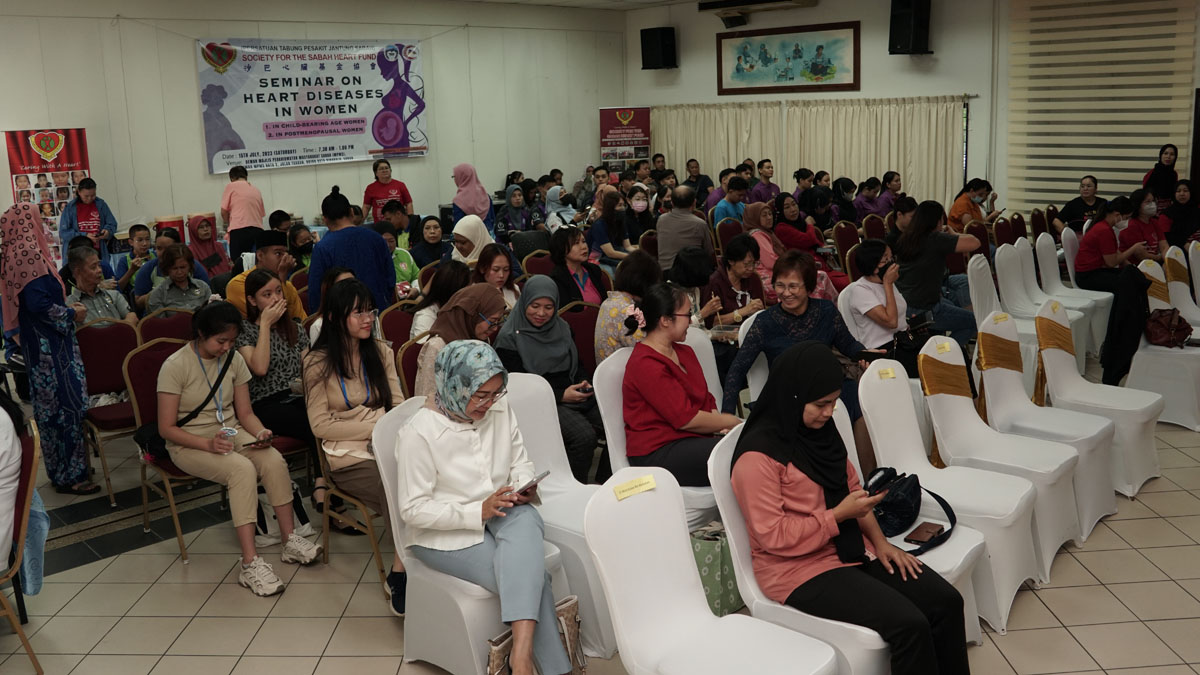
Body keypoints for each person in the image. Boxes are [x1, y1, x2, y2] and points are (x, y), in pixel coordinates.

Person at [730, 341, 968, 675]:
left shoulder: (820, 433)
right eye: (820, 404)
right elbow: (774, 536)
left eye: (833, 402)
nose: (829, 413)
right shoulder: (757, 459)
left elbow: (854, 493)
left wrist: (882, 545)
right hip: (796, 570)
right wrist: (837, 515)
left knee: (946, 602)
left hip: (849, 548)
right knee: (909, 625)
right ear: (793, 396)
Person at [399, 340, 571, 675]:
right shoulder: (418, 433)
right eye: (479, 395)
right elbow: (413, 510)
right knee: (531, 575)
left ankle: (520, 657)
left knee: (527, 521)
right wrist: (477, 511)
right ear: (454, 385)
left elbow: (520, 460)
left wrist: (524, 484)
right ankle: (547, 668)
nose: (488, 403)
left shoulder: (499, 408)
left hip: (503, 507)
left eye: (495, 394)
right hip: (442, 534)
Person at [158, 302, 322, 596]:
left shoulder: (233, 359)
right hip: (189, 442)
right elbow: (167, 428)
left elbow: (245, 413)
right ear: (201, 333)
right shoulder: (175, 365)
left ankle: (289, 539)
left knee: (273, 459)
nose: (226, 348)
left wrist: (260, 432)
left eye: (232, 341)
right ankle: (250, 563)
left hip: (230, 432)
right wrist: (208, 444)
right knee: (242, 470)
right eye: (221, 341)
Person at [303, 278, 409, 613]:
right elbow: (320, 426)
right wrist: (375, 426)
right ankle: (402, 573)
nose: (368, 319)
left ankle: (418, 562)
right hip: (347, 458)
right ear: (336, 318)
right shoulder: (317, 362)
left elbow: (398, 406)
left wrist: (379, 429)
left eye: (370, 311)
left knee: (420, 478)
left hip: (385, 445)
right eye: (358, 313)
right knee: (395, 489)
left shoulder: (381, 351)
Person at [0, 204, 95, 494]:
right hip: (52, 349)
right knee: (67, 407)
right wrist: (71, 314)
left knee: (50, 409)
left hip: (38, 346)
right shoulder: (28, 253)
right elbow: (38, 304)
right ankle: (73, 475)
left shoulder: (12, 253)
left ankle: (61, 471)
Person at [722, 251, 872, 419]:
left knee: (861, 405)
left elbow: (848, 345)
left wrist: (866, 354)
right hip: (789, 396)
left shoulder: (826, 311)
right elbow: (737, 370)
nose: (786, 293)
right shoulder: (765, 322)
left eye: (793, 286)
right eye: (780, 285)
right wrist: (727, 415)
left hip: (827, 387)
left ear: (809, 286)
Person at [622, 283, 742, 486]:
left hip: (691, 438)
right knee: (742, 453)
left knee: (750, 446)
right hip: (658, 450)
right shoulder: (645, 364)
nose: (691, 320)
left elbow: (705, 399)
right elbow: (685, 419)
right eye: (687, 314)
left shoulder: (685, 352)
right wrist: (729, 421)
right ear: (665, 320)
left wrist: (721, 426)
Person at [496, 276, 605, 483]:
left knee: (616, 423)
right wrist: (561, 395)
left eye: (548, 307)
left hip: (573, 391)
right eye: (535, 306)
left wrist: (584, 382)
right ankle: (574, 485)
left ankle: (605, 481)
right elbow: (520, 388)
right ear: (524, 302)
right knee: (583, 437)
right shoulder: (509, 338)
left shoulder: (562, 327)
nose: (541, 313)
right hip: (541, 401)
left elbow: (577, 364)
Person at [894, 201, 980, 348]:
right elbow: (974, 242)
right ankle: (943, 354)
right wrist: (953, 233)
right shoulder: (935, 239)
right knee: (974, 321)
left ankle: (938, 350)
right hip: (925, 306)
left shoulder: (906, 238)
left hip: (905, 302)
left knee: (951, 303)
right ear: (938, 221)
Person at [308, 186, 396, 314]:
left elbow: (316, 292)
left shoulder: (323, 248)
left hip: (342, 317)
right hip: (377, 312)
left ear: (324, 219)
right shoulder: (376, 238)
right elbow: (390, 278)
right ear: (352, 212)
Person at [413, 284, 507, 399]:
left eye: (498, 321)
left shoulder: (479, 340)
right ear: (472, 315)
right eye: (492, 321)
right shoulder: (438, 347)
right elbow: (426, 397)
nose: (495, 328)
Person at [595, 249, 661, 365]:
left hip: (611, 369)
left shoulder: (610, 301)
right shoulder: (627, 310)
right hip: (621, 373)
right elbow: (652, 349)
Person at [225, 230, 306, 319]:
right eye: (278, 253)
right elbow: (268, 318)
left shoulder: (288, 286)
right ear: (260, 256)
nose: (285, 258)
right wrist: (282, 277)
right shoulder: (239, 284)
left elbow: (301, 320)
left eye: (286, 253)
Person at [844, 240, 908, 352]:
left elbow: (899, 316)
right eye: (886, 259)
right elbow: (891, 322)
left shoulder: (884, 281)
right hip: (883, 349)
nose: (891, 263)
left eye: (891, 258)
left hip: (903, 340)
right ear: (873, 266)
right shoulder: (861, 290)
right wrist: (888, 284)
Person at [1074, 196, 1143, 294]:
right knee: (1129, 283)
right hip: (1087, 276)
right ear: (1117, 215)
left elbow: (1115, 252)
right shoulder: (1104, 230)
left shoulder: (1104, 226)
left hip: (1094, 272)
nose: (1127, 221)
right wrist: (1134, 249)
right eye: (1127, 218)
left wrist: (1131, 266)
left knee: (1133, 275)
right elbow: (1112, 262)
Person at [132, 228, 212, 310]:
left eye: (168, 249)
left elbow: (206, 294)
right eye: (159, 248)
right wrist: (160, 293)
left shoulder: (193, 266)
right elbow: (138, 303)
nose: (163, 253)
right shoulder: (148, 269)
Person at [703, 233, 765, 329]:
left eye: (754, 263)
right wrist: (743, 311)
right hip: (724, 335)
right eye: (747, 264)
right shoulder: (714, 283)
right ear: (731, 261)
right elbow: (710, 323)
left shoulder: (753, 278)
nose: (751, 268)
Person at [66, 246, 136, 326]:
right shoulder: (71, 306)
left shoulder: (113, 295)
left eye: (99, 265)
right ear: (78, 272)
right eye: (93, 267)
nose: (99, 270)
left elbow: (133, 317)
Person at [656, 186, 714, 271]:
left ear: (672, 203)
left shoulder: (661, 219)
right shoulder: (699, 224)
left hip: (665, 272)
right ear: (694, 202)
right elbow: (709, 252)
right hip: (691, 273)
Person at [411, 261, 471, 340]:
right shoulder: (425, 317)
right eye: (467, 289)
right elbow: (425, 347)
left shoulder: (457, 311)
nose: (470, 293)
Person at [57, 177, 117, 257]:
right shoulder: (70, 208)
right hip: (77, 254)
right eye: (86, 196)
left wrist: (107, 232)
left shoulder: (101, 205)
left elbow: (112, 224)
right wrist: (84, 235)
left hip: (99, 253)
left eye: (93, 195)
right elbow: (64, 233)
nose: (89, 199)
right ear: (79, 192)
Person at [147, 244, 213, 316]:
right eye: (175, 268)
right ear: (167, 269)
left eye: (183, 267)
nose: (179, 272)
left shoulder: (203, 287)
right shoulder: (158, 294)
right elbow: (161, 322)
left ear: (190, 266)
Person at [742, 201, 786, 304]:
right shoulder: (757, 234)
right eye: (764, 215)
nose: (769, 217)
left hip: (774, 273)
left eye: (770, 214)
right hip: (765, 279)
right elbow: (771, 262)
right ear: (755, 217)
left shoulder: (766, 232)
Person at [549, 227, 604, 306]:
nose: (584, 247)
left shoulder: (593, 270)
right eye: (576, 243)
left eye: (584, 241)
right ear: (562, 248)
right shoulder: (558, 279)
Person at [221, 166, 267, 259]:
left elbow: (223, 211)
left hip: (239, 231)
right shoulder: (256, 190)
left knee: (239, 262)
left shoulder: (231, 186)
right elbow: (261, 214)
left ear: (231, 178)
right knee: (257, 262)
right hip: (258, 231)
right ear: (246, 177)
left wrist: (228, 224)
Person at [586, 190, 635, 273]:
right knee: (629, 270)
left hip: (615, 255)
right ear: (610, 207)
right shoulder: (599, 225)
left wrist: (640, 255)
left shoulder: (620, 222)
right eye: (619, 205)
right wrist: (632, 257)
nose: (623, 208)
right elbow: (610, 253)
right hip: (598, 259)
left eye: (624, 205)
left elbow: (628, 246)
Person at [1120, 188, 1167, 262]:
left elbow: (1164, 245)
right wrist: (1160, 258)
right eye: (1148, 202)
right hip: (1137, 265)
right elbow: (1142, 255)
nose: (1152, 204)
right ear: (1137, 205)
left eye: (1153, 201)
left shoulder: (1154, 222)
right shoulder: (1131, 225)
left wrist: (1166, 258)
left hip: (1154, 263)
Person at [372, 222, 419, 293]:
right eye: (383, 241)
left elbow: (416, 276)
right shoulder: (370, 257)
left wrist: (416, 289)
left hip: (408, 295)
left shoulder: (404, 254)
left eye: (391, 241)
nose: (388, 245)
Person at [363, 158, 413, 223]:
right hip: (380, 224)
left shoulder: (400, 185)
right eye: (381, 169)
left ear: (390, 170)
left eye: (386, 168)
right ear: (376, 173)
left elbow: (409, 203)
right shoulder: (370, 188)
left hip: (399, 224)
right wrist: (359, 223)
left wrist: (411, 221)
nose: (385, 170)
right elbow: (366, 207)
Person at [472, 243, 521, 308]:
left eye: (506, 270)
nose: (501, 275)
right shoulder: (473, 294)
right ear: (482, 269)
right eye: (496, 270)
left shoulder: (514, 289)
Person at [451, 163, 495, 234]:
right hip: (488, 236)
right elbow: (493, 219)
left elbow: (458, 227)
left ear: (461, 177)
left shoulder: (458, 201)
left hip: (469, 238)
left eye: (455, 176)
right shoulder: (486, 196)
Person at [1163, 180, 1200, 249]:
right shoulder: (1167, 214)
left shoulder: (1197, 210)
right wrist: (1183, 244)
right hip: (1176, 250)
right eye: (1178, 191)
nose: (1182, 194)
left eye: (1185, 191)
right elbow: (1165, 236)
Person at [1143, 143, 1179, 213]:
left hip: (1169, 210)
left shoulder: (1174, 174)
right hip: (1152, 209)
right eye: (1165, 153)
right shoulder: (1152, 173)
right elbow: (1144, 193)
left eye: (1172, 154)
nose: (1168, 156)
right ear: (1161, 155)